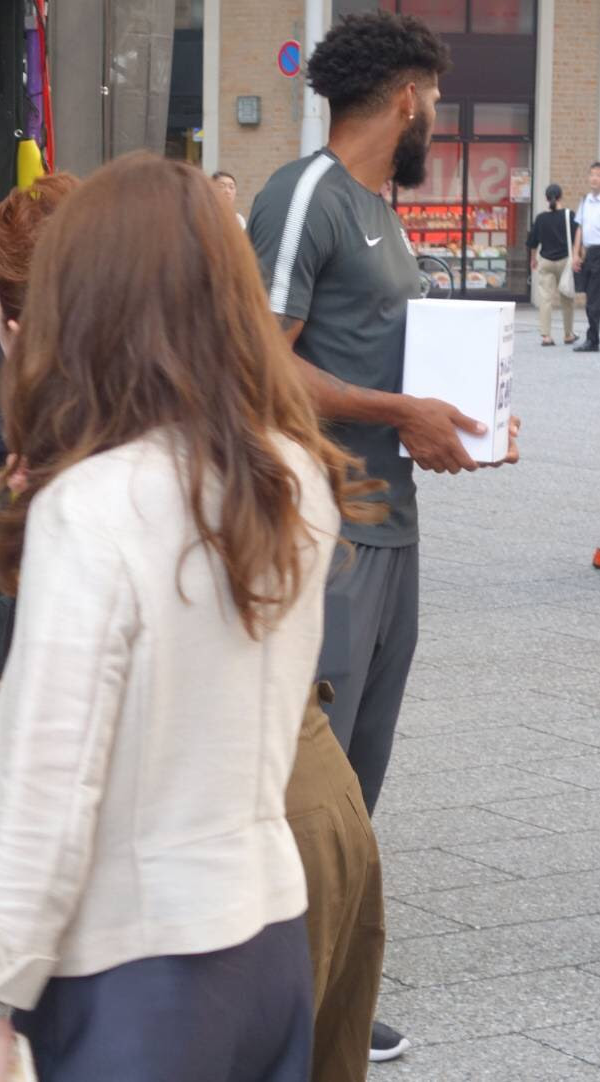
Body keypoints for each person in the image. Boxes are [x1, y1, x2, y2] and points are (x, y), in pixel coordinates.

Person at [0, 169, 386, 1082]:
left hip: (138, 973)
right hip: (267, 938)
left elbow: (45, 783)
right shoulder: (288, 471)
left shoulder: (94, 504)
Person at [250, 12, 520, 1063]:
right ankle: (278, 991)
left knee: (357, 775)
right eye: (434, 97)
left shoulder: (379, 209)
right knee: (303, 773)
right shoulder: (306, 193)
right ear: (405, 94)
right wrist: (396, 411)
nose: (436, 115)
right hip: (327, 529)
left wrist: (463, 418)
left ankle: (331, 983)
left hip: (390, 520)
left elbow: (393, 368)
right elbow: (261, 362)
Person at [529, 183, 579, 346]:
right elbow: (577, 238)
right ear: (561, 197)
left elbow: (533, 242)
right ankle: (568, 334)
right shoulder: (569, 215)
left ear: (546, 199)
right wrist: (578, 255)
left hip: (546, 262)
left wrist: (533, 258)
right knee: (567, 300)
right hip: (565, 262)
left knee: (545, 300)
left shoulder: (540, 218)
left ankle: (546, 336)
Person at [574, 161, 600, 353]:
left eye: (597, 175)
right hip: (590, 253)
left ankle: (593, 339)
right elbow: (580, 229)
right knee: (591, 297)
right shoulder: (585, 201)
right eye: (591, 174)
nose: (594, 178)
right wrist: (576, 254)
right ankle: (593, 338)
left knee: (594, 300)